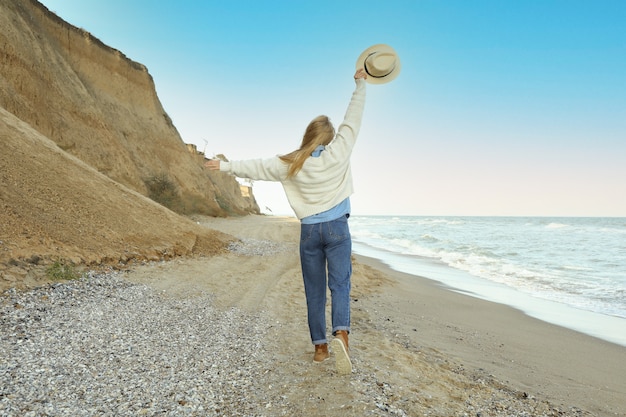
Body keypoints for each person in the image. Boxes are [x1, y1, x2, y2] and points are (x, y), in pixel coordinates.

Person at [207, 44, 400, 373]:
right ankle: (342, 335)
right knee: (340, 284)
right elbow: (353, 120)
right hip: (338, 228)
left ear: (308, 135)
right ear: (330, 137)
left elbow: (257, 166)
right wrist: (360, 84)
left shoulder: (290, 163)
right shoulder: (339, 153)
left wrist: (225, 167)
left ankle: (321, 350)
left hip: (310, 231)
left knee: (314, 291)